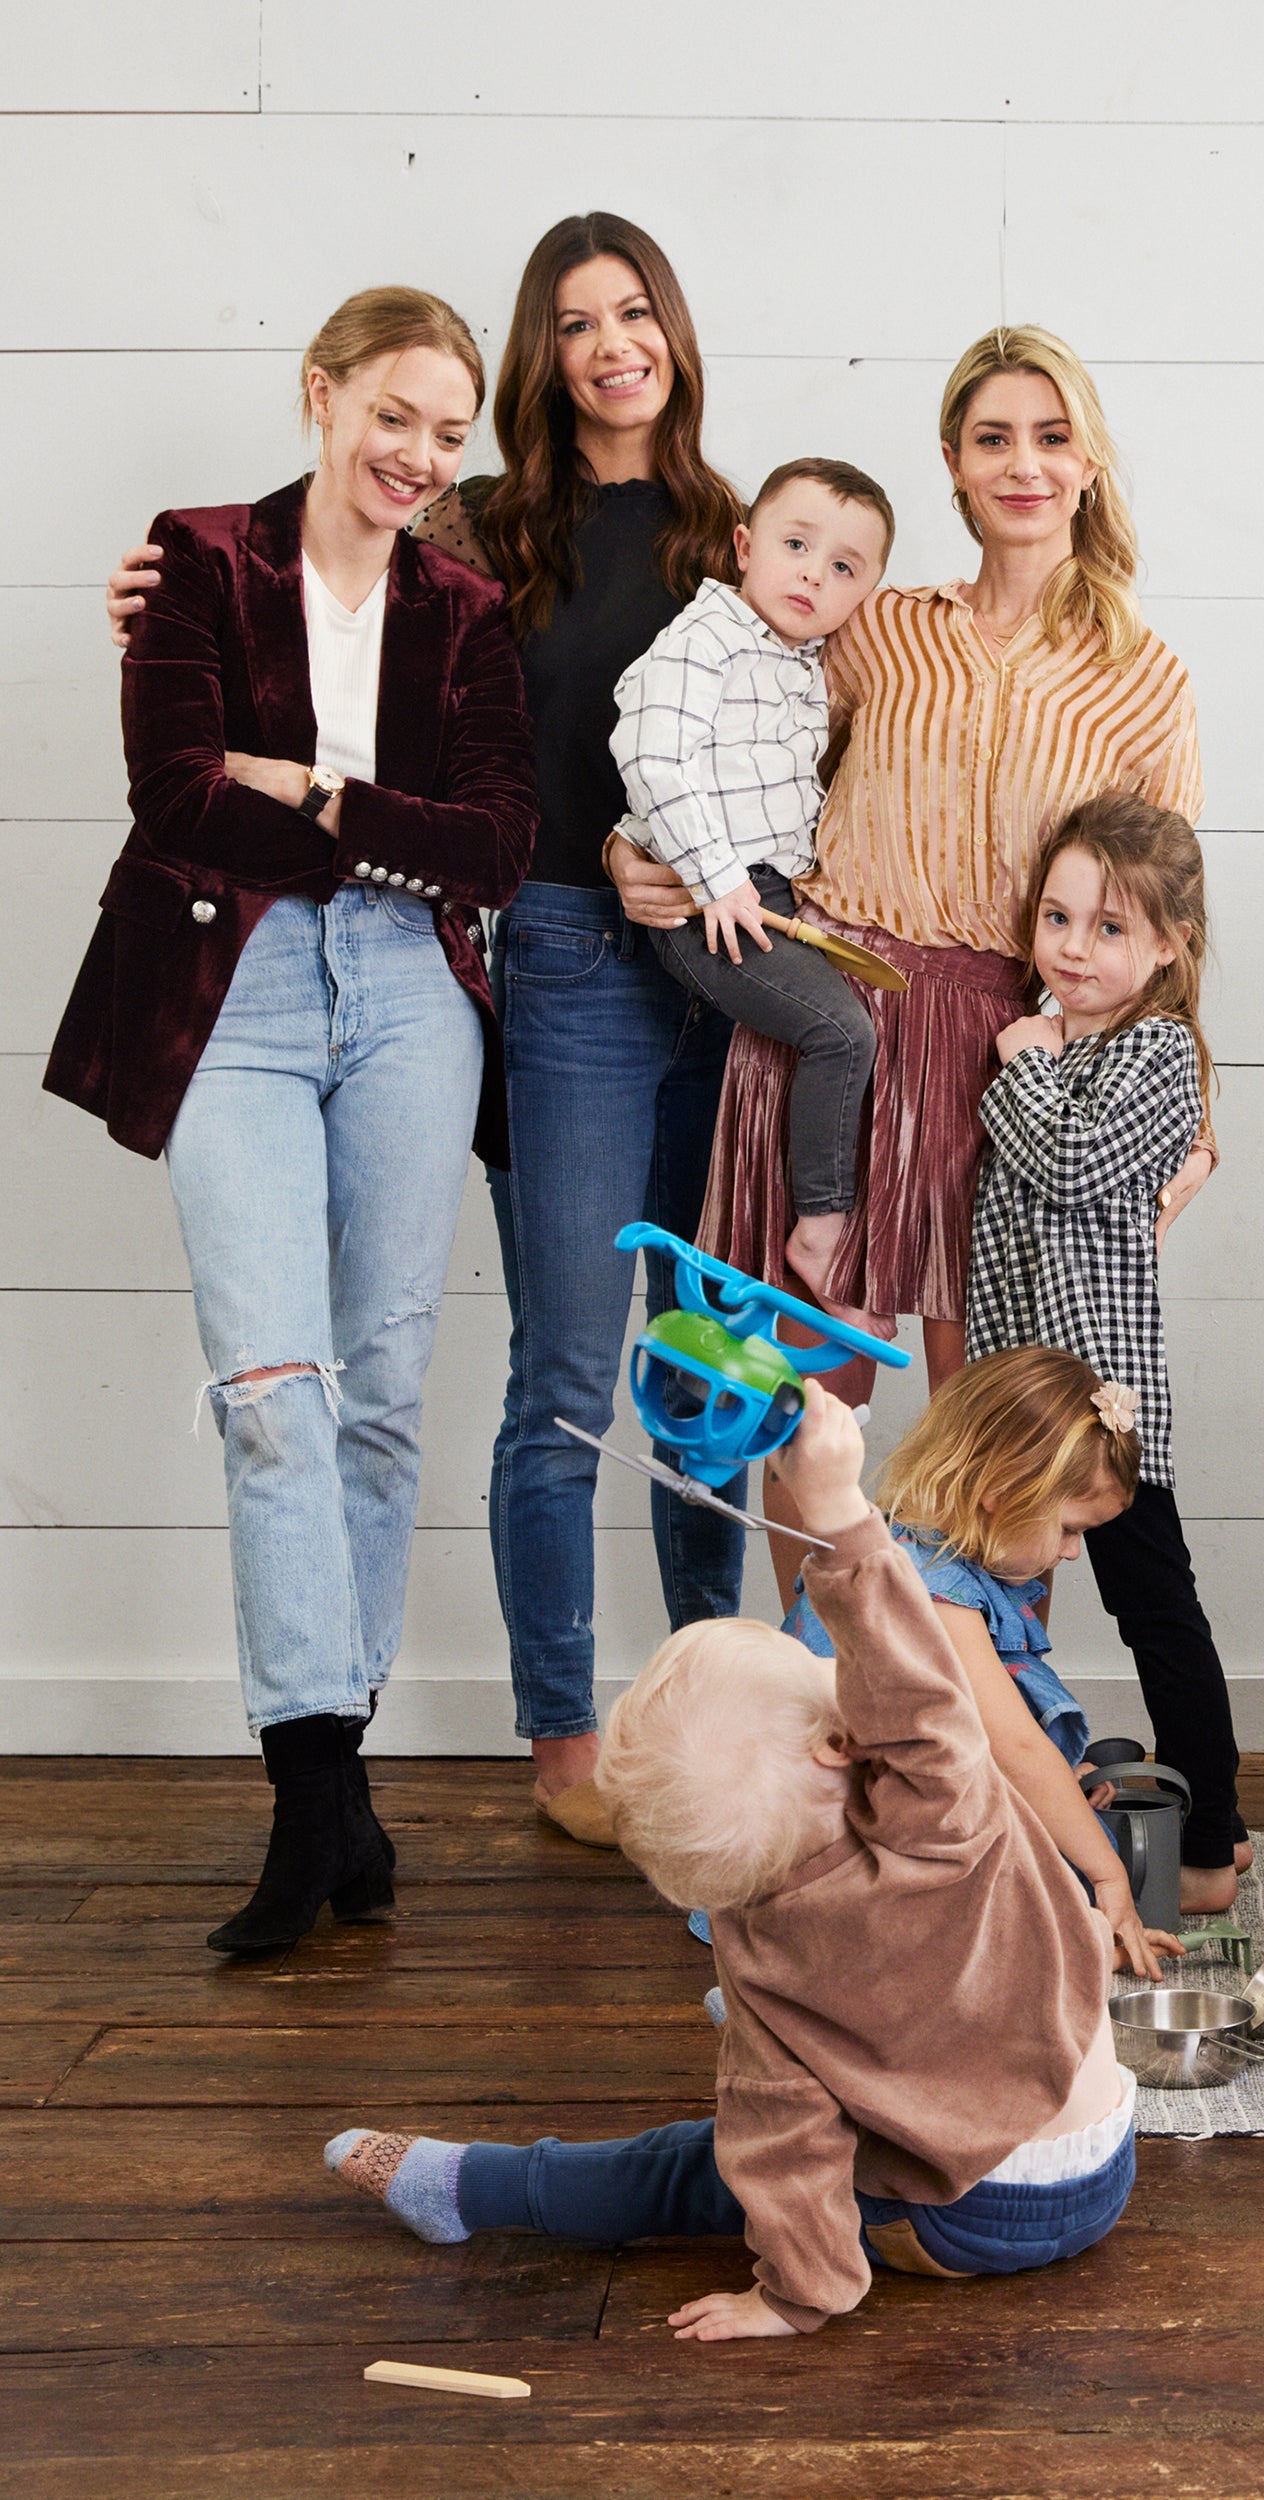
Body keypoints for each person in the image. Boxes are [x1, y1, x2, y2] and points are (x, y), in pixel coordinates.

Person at [106, 216, 752, 1849]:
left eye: (637, 315)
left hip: (729, 976)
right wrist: (163, 601)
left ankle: (720, 1716)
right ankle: (562, 1736)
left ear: (674, 332)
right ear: (542, 351)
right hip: (550, 957)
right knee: (564, 1376)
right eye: (578, 322)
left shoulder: (744, 533)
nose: (614, 346)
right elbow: (299, 614)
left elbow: (825, 719)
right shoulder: (480, 521)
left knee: (716, 1368)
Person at [50, 288, 535, 1953]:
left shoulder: (467, 607)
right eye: (389, 413)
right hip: (231, 991)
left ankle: (336, 1782)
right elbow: (177, 796)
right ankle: (314, 1793)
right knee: (274, 1391)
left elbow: (495, 850)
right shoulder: (200, 559)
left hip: (411, 990)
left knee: (382, 1392)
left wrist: (310, 791)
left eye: (445, 428)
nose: (414, 453)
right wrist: (364, 818)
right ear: (321, 398)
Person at [322, 1385, 1135, 2338]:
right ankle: (849, 2045)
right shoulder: (942, 1819)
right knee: (836, 2054)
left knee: (704, 2162)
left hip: (967, 2217)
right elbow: (921, 1702)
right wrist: (839, 1517)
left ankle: (473, 2187)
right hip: (1100, 2168)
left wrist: (799, 2297)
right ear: (840, 1740)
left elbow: (787, 2153)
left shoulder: (751, 1947)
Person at [604, 324, 1213, 1469]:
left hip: (1002, 1050)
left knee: (993, 1425)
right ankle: (814, 1659)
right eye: (993, 439)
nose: (1022, 464)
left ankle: (975, 1655)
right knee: (794, 1402)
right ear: (953, 462)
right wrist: (625, 848)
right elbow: (724, 742)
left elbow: (1162, 923)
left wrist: (1190, 1119)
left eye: (1050, 436)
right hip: (821, 1007)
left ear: (1088, 461)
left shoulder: (1147, 680)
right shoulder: (878, 627)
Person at [966, 796, 1244, 1909]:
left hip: (1102, 1407)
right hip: (1019, 1401)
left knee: (1155, 1612)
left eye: (1110, 928)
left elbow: (1070, 1168)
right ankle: (1018, 1812)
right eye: (1058, 918)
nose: (1074, 949)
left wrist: (1020, 1066)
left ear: (1170, 944)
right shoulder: (1047, 1041)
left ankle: (1212, 1849)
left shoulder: (1160, 1055)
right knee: (1001, 1612)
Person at [782, 1343, 1184, 1979]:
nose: (1074, 1554)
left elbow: (976, 1723)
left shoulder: (947, 1562)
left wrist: (1064, 1783)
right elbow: (1011, 1748)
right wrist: (1108, 1878)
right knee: (1062, 1875)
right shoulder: (930, 1588)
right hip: (840, 1845)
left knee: (1065, 1836)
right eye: (1070, 1529)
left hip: (901, 1798)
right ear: (1003, 1492)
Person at [611, 458, 891, 1303]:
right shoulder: (706, 640)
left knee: (864, 1030)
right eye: (796, 545)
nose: (814, 572)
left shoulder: (804, 663)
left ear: (865, 592)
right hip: (714, 906)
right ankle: (820, 1229)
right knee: (842, 1034)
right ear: (743, 546)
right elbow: (651, 757)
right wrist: (719, 879)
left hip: (766, 895)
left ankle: (810, 1253)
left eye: (843, 567)